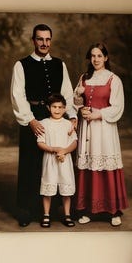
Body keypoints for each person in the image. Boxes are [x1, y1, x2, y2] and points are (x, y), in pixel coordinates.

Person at [10, 23, 73, 226]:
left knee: (54, 163)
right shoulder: (21, 65)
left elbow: (67, 93)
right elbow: (17, 95)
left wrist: (71, 116)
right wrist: (30, 120)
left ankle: (51, 210)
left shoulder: (60, 64)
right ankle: (26, 210)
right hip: (32, 117)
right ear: (33, 40)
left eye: (47, 39)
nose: (44, 43)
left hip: (56, 118)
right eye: (40, 39)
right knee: (31, 163)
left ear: (50, 41)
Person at [72, 42, 128, 226]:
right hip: (87, 129)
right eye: (93, 56)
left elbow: (118, 106)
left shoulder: (113, 79)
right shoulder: (84, 77)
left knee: (104, 164)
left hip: (104, 129)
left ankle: (113, 212)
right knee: (88, 165)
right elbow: (75, 101)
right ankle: (88, 210)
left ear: (106, 58)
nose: (95, 59)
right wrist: (80, 106)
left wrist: (99, 114)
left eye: (99, 56)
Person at [35, 93, 77, 228]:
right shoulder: (44, 123)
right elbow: (40, 143)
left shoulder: (68, 124)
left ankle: (67, 215)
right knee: (48, 188)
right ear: (48, 108)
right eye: (54, 107)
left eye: (60, 107)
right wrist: (54, 149)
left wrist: (64, 151)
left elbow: (74, 142)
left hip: (65, 160)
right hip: (50, 160)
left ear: (64, 109)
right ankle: (46, 214)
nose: (57, 110)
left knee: (66, 189)